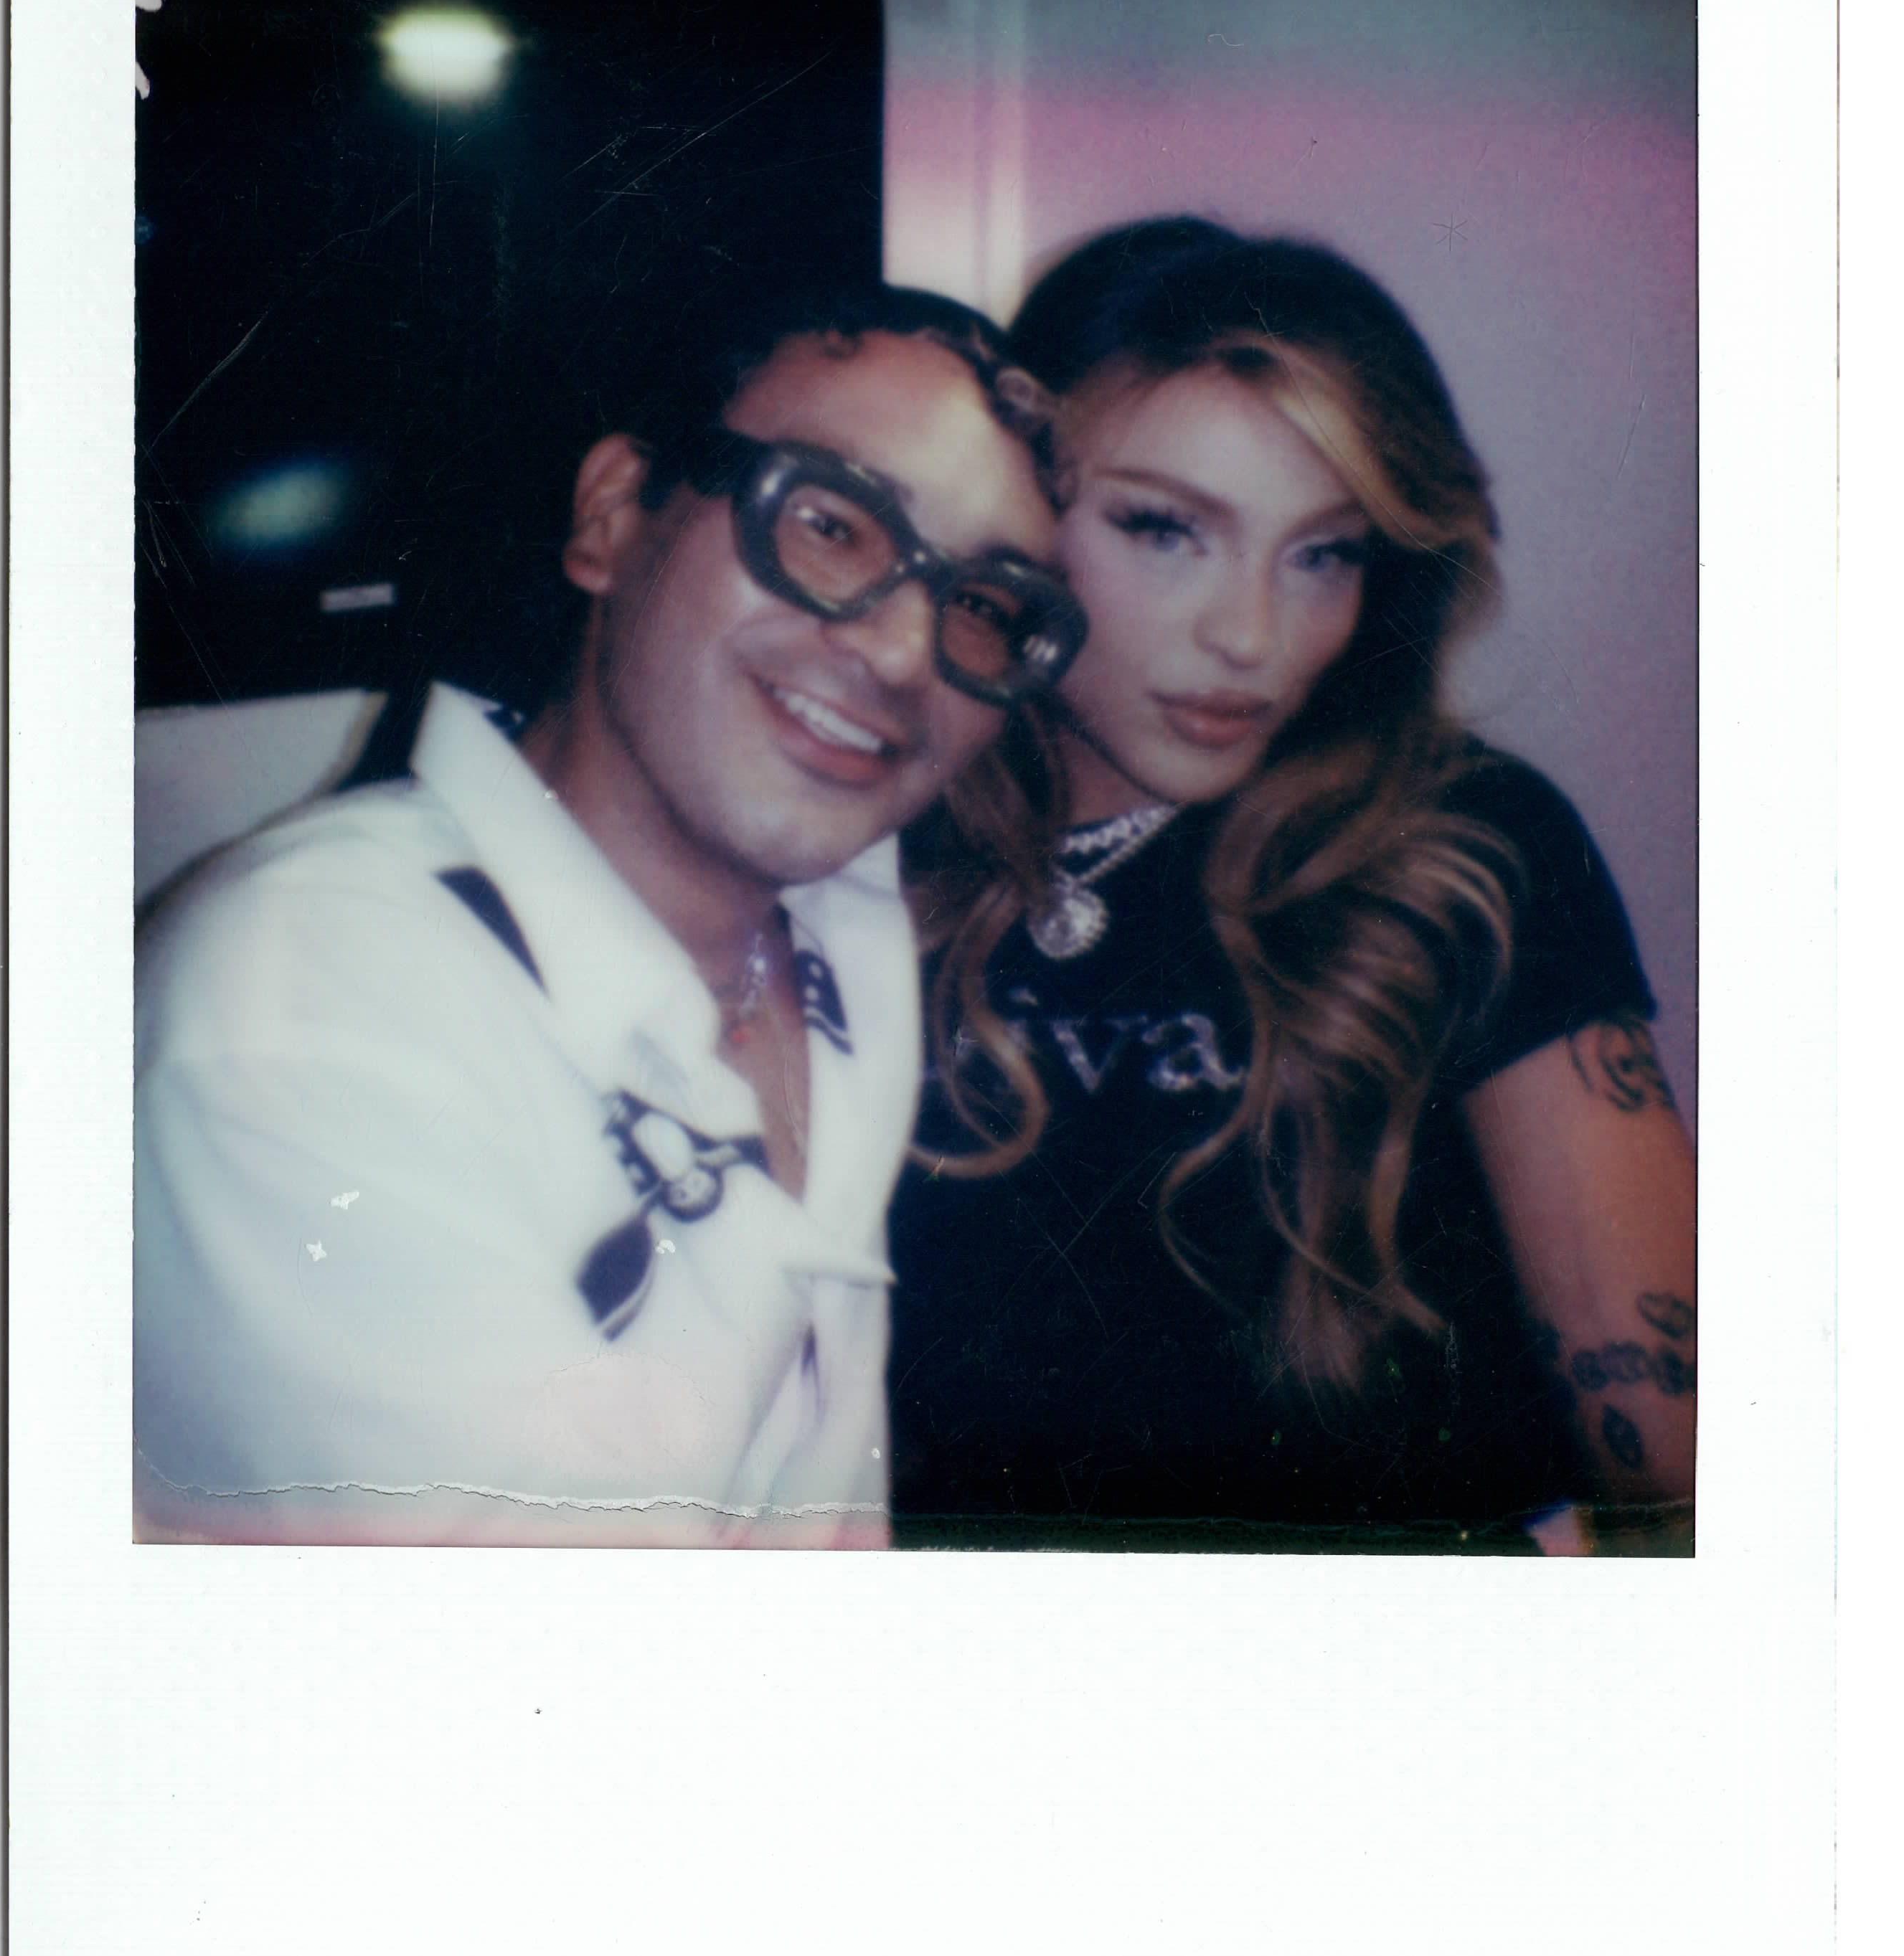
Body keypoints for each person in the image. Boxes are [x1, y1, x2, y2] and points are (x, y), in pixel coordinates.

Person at [134, 282, 1085, 1547]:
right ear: (615, 517)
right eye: (830, 523)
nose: (908, 652)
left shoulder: (850, 935)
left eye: (984, 604)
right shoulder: (311, 1009)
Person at [889, 219, 1697, 1550]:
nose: (1252, 637)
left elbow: (1676, 1447)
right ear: (1018, 507)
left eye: (1325, 552)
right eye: (1165, 529)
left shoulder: (1466, 844)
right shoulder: (872, 828)